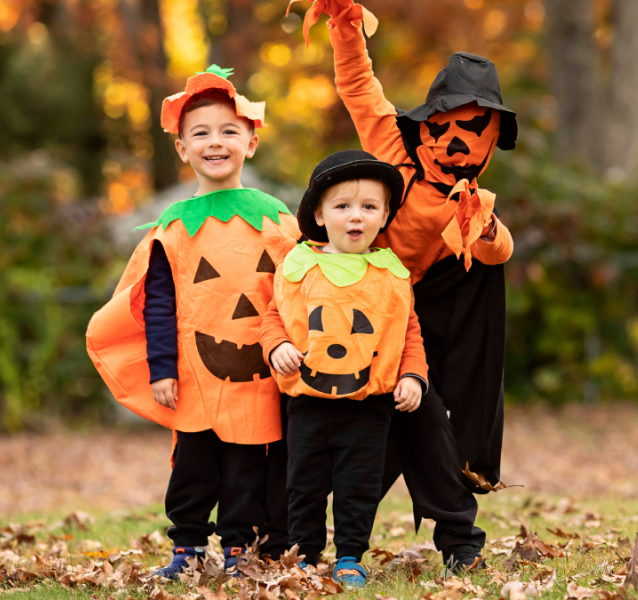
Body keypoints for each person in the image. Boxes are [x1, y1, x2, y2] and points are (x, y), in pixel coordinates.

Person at [288, 0, 517, 570]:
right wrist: (343, 24)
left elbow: (498, 250)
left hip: (415, 320)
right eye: (446, 127)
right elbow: (360, 88)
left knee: (422, 419)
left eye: (473, 129)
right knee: (320, 428)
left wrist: (478, 225)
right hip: (341, 303)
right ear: (426, 125)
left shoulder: (472, 200)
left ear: (490, 142)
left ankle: (459, 541)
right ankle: (290, 534)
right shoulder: (395, 149)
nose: (457, 142)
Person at [86, 65, 300, 579]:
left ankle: (237, 548)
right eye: (200, 133)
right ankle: (186, 546)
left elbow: (297, 294)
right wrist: (162, 368)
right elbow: (158, 302)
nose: (215, 142)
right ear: (182, 148)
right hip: (196, 373)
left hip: (261, 372)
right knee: (193, 468)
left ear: (251, 141)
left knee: (249, 468)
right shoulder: (174, 229)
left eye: (229, 131)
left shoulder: (279, 222)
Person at [260, 150, 428, 587]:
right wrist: (276, 345)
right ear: (319, 213)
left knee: (359, 487)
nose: (356, 217)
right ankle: (304, 554)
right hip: (307, 403)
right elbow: (273, 316)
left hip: (367, 405)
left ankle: (350, 555)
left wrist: (413, 375)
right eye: (343, 206)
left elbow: (407, 332)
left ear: (385, 214)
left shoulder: (390, 274)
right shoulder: (299, 266)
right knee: (304, 485)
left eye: (369, 207)